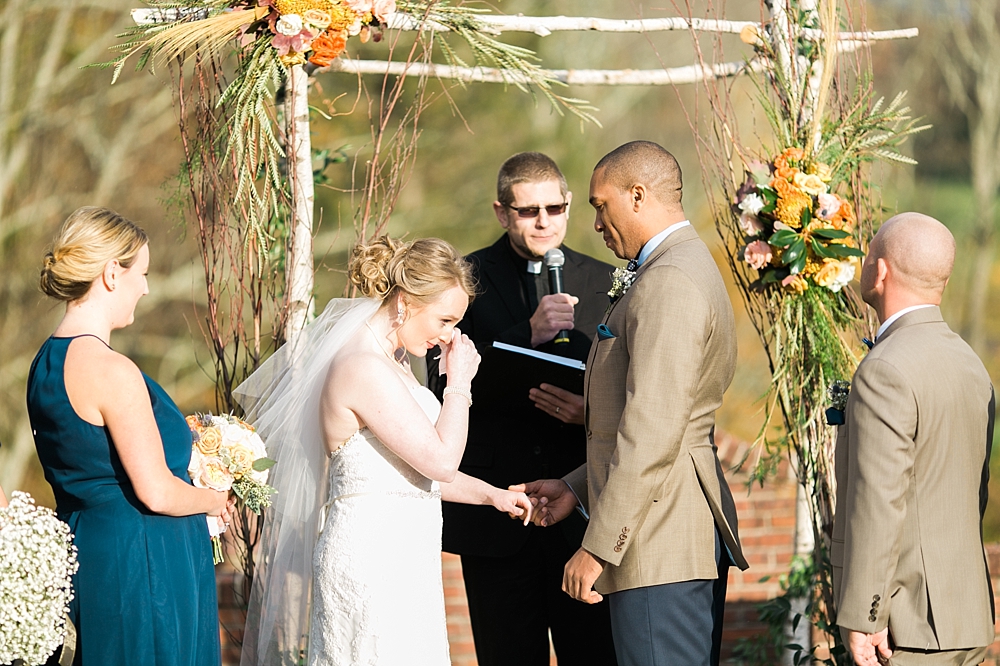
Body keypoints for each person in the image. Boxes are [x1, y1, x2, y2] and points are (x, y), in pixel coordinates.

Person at [236, 236, 534, 666]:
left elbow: (415, 469)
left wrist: (493, 495)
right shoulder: (362, 365)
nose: (449, 336)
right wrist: (459, 384)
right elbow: (441, 461)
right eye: (445, 320)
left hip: (406, 549)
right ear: (405, 302)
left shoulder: (395, 361)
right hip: (372, 553)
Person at [520, 141, 749, 666]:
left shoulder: (669, 281)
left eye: (602, 205)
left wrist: (598, 546)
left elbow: (653, 428)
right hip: (663, 532)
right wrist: (576, 486)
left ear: (638, 195)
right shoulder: (672, 266)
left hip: (660, 542)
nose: (597, 223)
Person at [426, 151, 618, 666]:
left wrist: (591, 411)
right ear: (501, 212)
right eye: (528, 210)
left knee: (594, 655)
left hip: (582, 511)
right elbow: (438, 384)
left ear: (569, 205)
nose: (543, 221)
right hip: (498, 514)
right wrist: (525, 334)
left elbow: (632, 386)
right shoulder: (465, 279)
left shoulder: (606, 279)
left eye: (555, 208)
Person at [26, 207, 231, 666]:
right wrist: (215, 500)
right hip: (144, 569)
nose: (146, 287)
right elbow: (156, 491)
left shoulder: (43, 365)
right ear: (111, 274)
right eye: (143, 273)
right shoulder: (111, 370)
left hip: (88, 555)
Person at [831, 213, 995, 666]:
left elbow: (878, 501)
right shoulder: (971, 364)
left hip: (909, 625)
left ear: (880, 271)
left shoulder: (885, 368)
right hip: (966, 617)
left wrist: (865, 614)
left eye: (868, 255)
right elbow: (973, 493)